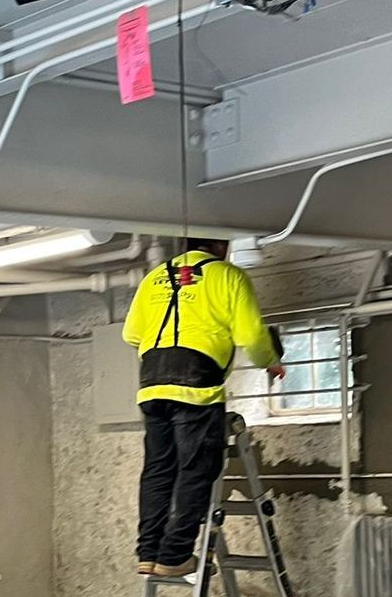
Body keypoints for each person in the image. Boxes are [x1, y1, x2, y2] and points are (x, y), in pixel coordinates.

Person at [120, 238, 282, 578]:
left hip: (151, 380)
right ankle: (175, 555)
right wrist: (270, 362)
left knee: (159, 469)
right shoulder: (228, 275)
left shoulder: (154, 277)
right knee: (197, 468)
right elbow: (251, 335)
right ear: (220, 246)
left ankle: (148, 552)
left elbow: (131, 334)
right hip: (195, 377)